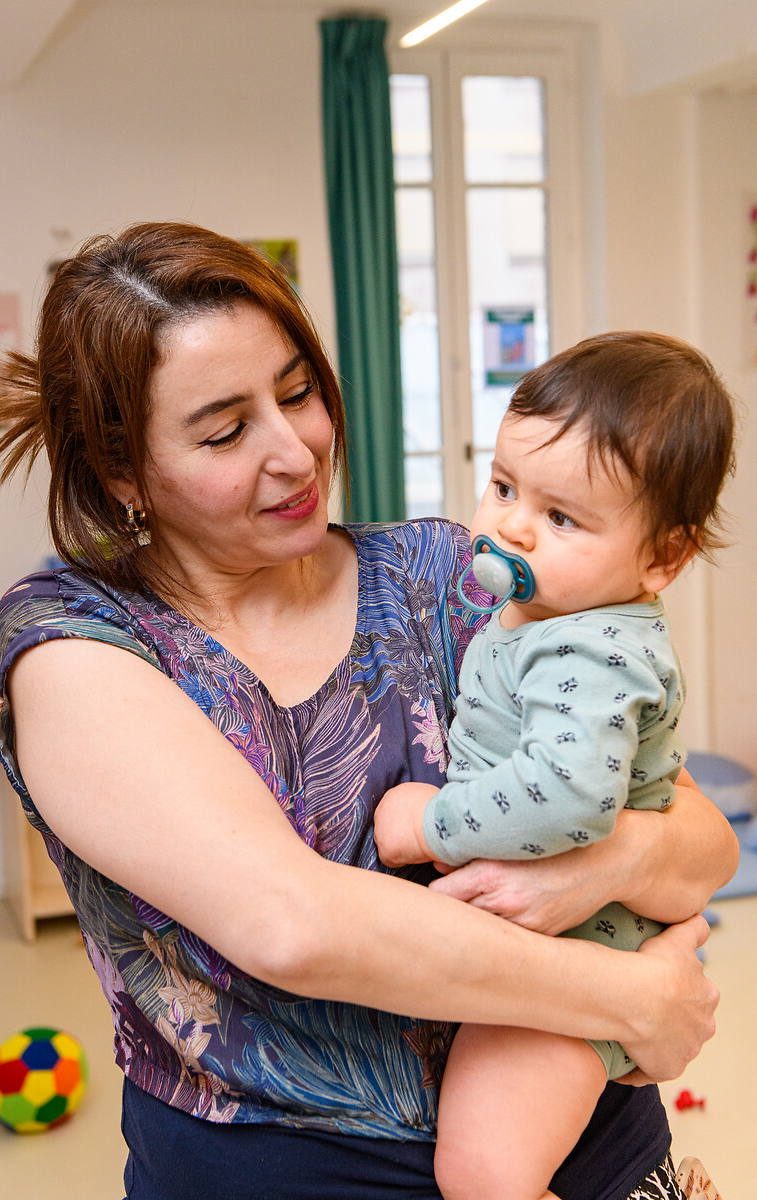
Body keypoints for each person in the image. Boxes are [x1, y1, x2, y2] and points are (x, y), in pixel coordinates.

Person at [0, 224, 734, 1200]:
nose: (293, 451)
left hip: (573, 1142)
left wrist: (619, 861)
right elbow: (292, 923)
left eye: (296, 393)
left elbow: (701, 835)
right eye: (223, 431)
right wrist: (630, 997)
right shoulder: (76, 642)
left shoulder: (444, 572)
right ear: (124, 470)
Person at [372, 331, 737, 1200]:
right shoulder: (548, 617)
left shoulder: (592, 650)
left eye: (562, 517)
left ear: (663, 557)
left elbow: (568, 795)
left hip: (581, 958)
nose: (510, 525)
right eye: (503, 486)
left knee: (484, 1175)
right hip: (570, 950)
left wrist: (429, 822)